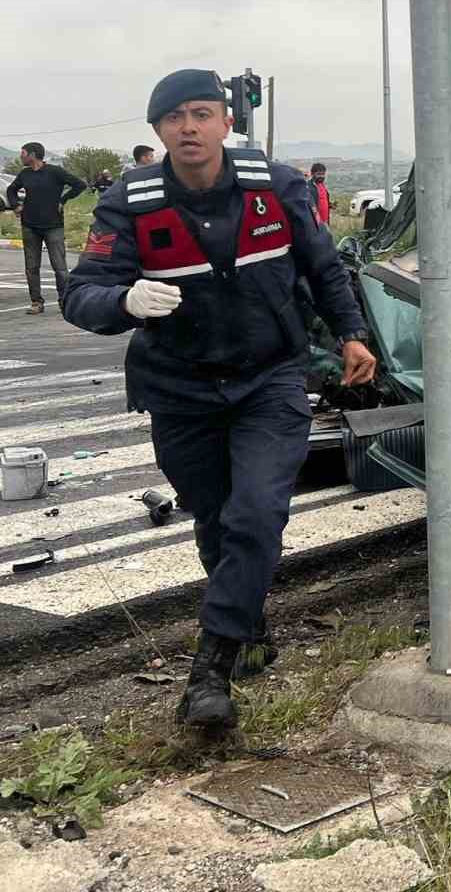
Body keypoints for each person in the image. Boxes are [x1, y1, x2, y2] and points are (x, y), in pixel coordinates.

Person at [63, 69, 377, 729]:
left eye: (202, 113)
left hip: (270, 378)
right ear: (158, 131)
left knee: (257, 513)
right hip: (178, 386)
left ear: (225, 124)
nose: (189, 127)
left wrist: (350, 333)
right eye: (174, 118)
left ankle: (211, 669)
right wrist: (122, 300)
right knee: (214, 516)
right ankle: (249, 620)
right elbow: (82, 293)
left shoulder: (277, 186)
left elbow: (322, 267)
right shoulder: (131, 201)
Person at [5, 142, 86, 315]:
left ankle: (64, 301)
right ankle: (36, 302)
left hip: (53, 226)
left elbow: (79, 185)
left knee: (60, 267)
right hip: (30, 226)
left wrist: (63, 200)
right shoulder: (24, 174)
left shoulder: (55, 172)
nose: (21, 156)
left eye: (23, 153)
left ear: (32, 154)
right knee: (31, 267)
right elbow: (11, 190)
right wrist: (16, 206)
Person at [307, 162, 333, 227]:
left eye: (323, 174)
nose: (321, 176)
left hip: (325, 222)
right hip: (316, 224)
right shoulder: (308, 187)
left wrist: (330, 205)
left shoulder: (322, 185)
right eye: (319, 174)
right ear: (312, 174)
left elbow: (321, 201)